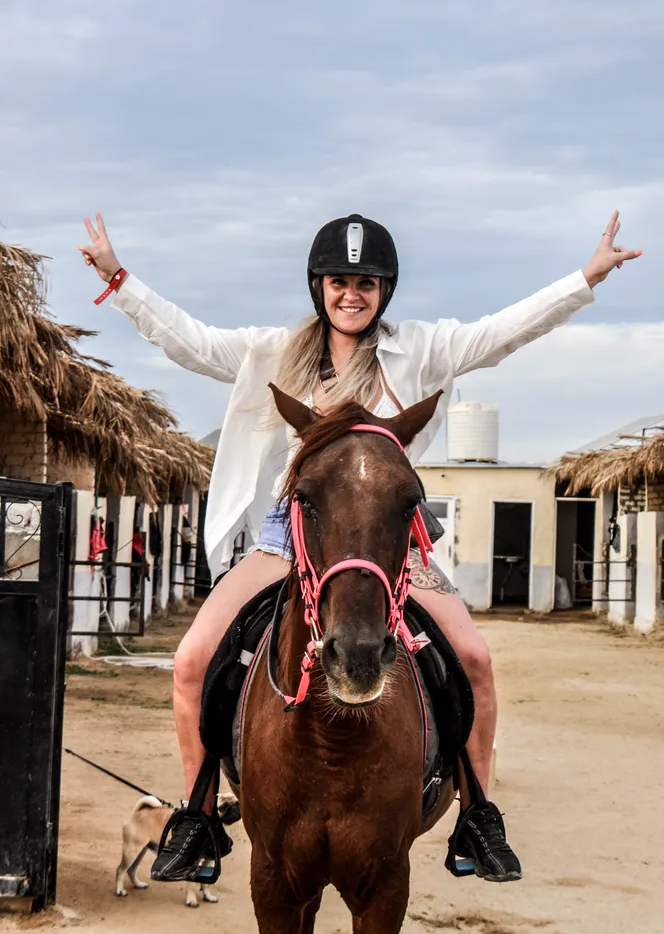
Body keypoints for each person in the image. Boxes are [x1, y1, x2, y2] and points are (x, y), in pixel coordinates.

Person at [79, 208, 641, 884]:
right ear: (318, 285)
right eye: (340, 280)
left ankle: (478, 817)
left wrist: (585, 278)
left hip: (389, 541)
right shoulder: (272, 352)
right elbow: (190, 341)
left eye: (367, 282)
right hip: (291, 533)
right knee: (194, 660)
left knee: (474, 660)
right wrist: (119, 278)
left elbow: (501, 334)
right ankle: (199, 815)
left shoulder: (424, 349)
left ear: (386, 290)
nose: (353, 293)